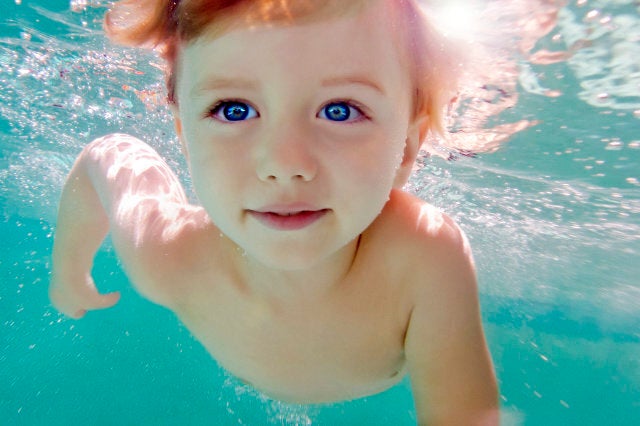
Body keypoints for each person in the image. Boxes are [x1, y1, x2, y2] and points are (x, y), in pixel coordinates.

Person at [50, 0, 499, 424]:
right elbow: (106, 155)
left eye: (339, 111)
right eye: (234, 110)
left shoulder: (424, 261)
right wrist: (68, 268)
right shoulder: (168, 258)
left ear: (407, 147)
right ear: (185, 136)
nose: (284, 164)